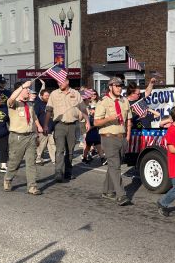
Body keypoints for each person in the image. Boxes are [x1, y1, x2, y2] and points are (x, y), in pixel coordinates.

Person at [94, 77, 132, 206]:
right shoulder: (103, 102)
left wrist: (127, 136)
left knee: (114, 165)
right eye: (116, 86)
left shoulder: (124, 101)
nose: (119, 88)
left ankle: (107, 191)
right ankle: (121, 195)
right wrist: (109, 118)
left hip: (121, 137)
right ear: (110, 87)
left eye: (120, 86)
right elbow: (96, 122)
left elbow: (128, 120)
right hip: (108, 137)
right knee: (115, 166)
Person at [44, 78, 89, 183]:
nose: (59, 84)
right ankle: (58, 172)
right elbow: (49, 110)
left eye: (61, 82)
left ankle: (68, 172)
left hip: (73, 125)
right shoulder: (54, 94)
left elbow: (83, 108)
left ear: (67, 82)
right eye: (58, 82)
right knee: (60, 149)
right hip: (59, 125)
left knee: (70, 150)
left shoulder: (76, 93)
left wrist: (88, 121)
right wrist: (46, 125)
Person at [3, 81, 43, 195]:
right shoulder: (13, 103)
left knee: (31, 162)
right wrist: (22, 86)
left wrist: (39, 127)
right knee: (15, 162)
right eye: (27, 89)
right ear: (20, 90)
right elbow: (11, 99)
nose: (29, 91)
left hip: (30, 135)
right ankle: (8, 179)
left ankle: (32, 186)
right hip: (18, 136)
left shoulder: (30, 104)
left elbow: (33, 117)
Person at [82, 90, 106, 164]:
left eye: (95, 94)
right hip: (89, 123)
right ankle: (101, 158)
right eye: (92, 95)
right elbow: (83, 113)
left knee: (94, 142)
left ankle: (85, 158)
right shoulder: (86, 103)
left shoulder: (99, 102)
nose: (94, 95)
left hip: (96, 123)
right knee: (91, 143)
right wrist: (89, 112)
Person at [35, 89, 56, 165]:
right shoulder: (38, 104)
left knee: (52, 144)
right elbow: (35, 117)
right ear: (41, 96)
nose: (48, 97)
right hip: (42, 129)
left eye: (48, 95)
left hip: (51, 128)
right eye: (46, 95)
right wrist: (39, 126)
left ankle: (55, 160)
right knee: (41, 145)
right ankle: (38, 158)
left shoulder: (51, 104)